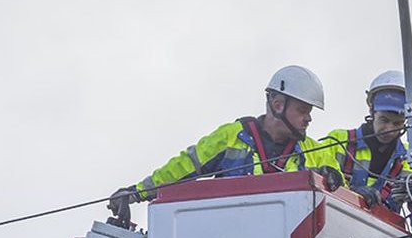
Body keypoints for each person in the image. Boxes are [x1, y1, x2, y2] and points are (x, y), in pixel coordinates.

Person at [108, 65, 343, 220]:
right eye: (302, 110)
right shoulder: (232, 136)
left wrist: (333, 178)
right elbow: (184, 167)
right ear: (278, 104)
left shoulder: (315, 151)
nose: (308, 118)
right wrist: (136, 193)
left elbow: (342, 190)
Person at [322, 70, 412, 217]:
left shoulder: (410, 159)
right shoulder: (338, 142)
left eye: (397, 123)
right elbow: (315, 184)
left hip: (384, 231)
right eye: (384, 120)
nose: (389, 130)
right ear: (371, 110)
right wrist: (350, 192)